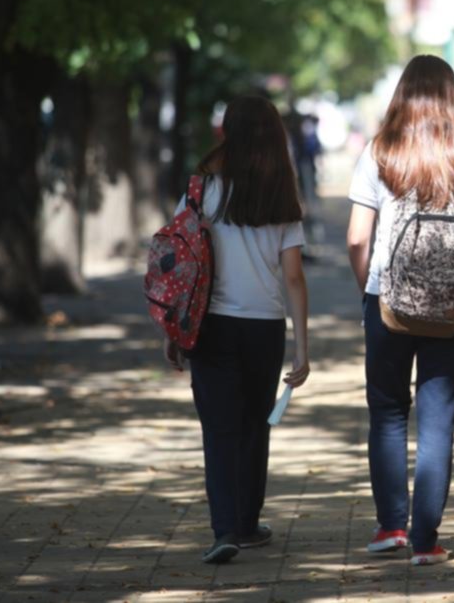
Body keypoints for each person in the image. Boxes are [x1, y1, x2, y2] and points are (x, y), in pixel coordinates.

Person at [346, 55, 454, 566]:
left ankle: (391, 526)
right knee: (438, 420)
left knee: (388, 414)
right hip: (453, 306)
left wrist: (368, 288)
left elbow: (355, 238)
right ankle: (425, 541)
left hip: (386, 300)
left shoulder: (380, 151)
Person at [164, 95, 311, 565]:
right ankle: (248, 523)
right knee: (254, 426)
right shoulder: (282, 194)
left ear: (227, 132)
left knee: (219, 430)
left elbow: (181, 266)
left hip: (210, 325)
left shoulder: (201, 189)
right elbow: (293, 276)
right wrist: (302, 349)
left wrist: (174, 331)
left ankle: (225, 529)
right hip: (264, 328)